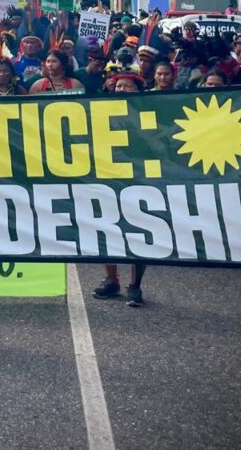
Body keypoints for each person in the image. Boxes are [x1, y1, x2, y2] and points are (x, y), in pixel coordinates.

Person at [92, 61, 148, 306]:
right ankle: (111, 280)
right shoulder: (100, 110)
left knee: (139, 232)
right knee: (106, 230)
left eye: (128, 86)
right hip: (107, 177)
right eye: (119, 86)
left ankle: (135, 286)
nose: (122, 89)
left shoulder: (149, 112)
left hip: (139, 179)